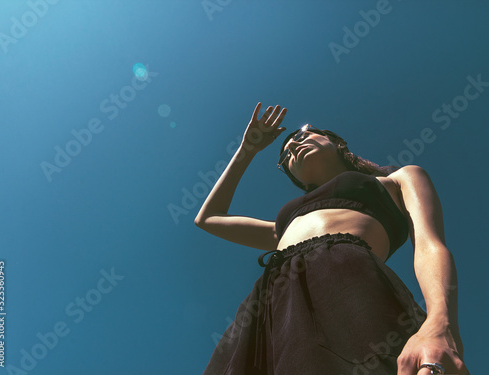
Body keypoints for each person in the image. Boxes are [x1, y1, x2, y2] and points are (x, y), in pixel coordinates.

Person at [195, 102, 469, 375]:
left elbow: (429, 245)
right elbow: (208, 218)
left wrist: (441, 324)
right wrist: (248, 149)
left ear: (337, 142)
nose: (293, 145)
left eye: (303, 134)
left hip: (346, 286)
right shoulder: (283, 227)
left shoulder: (398, 179)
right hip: (266, 303)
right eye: (285, 155)